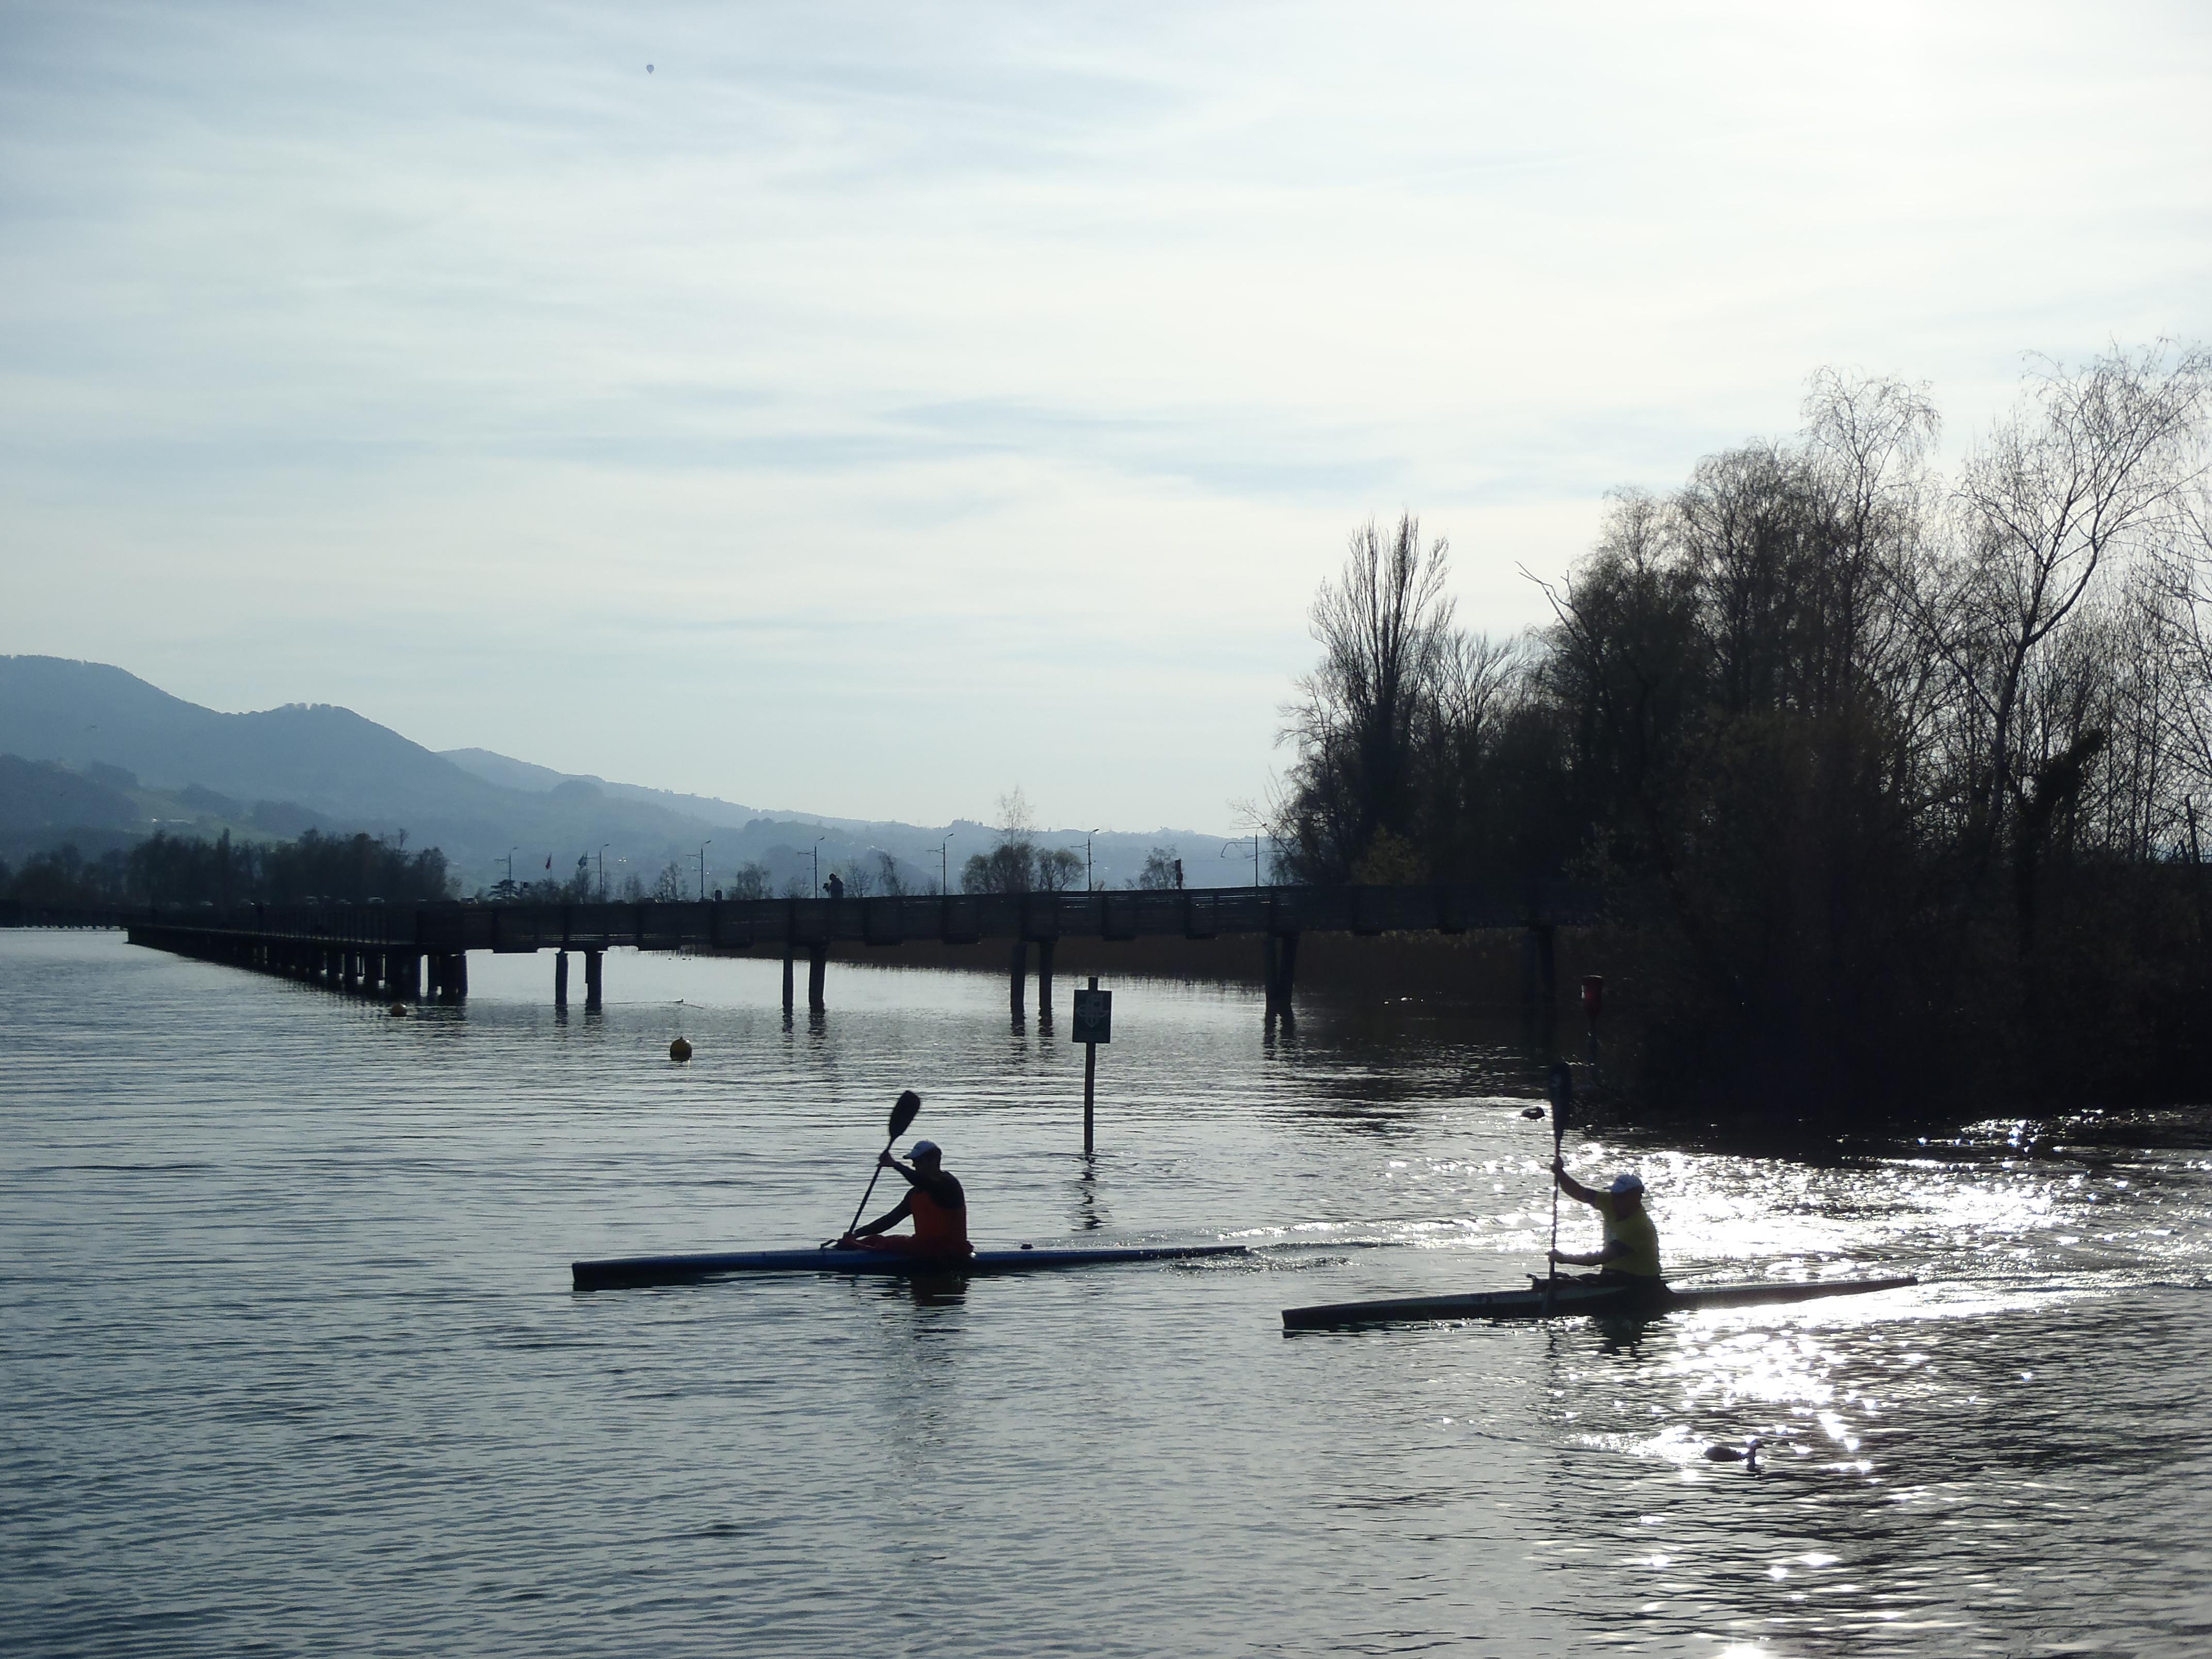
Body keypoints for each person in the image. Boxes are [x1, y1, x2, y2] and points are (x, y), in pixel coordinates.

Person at [839, 1140, 971, 1258]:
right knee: (872, 1240)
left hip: (952, 1251)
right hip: (924, 1248)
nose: (914, 1165)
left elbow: (924, 1182)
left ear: (934, 1161)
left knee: (887, 1244)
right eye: (913, 1162)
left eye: (918, 1161)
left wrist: (895, 1165)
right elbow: (891, 1220)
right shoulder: (915, 1194)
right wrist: (856, 1235)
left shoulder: (949, 1185)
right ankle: (838, 1252)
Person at [1544, 1161, 1662, 1282]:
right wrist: (1560, 1173)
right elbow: (1578, 1192)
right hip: (1611, 1276)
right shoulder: (1610, 1201)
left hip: (1639, 1282)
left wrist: (1564, 1258)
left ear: (1636, 1197)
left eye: (1621, 1196)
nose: (1615, 1200)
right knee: (1557, 1282)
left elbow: (1602, 1258)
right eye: (1614, 1194)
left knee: (1566, 1284)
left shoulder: (1639, 1226)